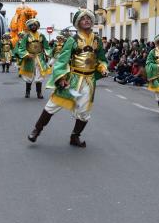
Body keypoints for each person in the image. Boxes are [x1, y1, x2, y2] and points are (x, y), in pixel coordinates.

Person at [27, 10, 108, 147]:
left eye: (89, 18)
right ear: (78, 23)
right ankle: (37, 130)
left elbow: (101, 60)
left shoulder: (97, 40)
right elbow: (62, 61)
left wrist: (103, 68)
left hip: (89, 82)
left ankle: (75, 137)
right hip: (72, 79)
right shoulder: (73, 40)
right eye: (83, 18)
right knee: (53, 105)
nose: (87, 20)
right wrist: (61, 78)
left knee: (84, 112)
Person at [15, 19, 52, 99]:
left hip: (39, 58)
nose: (33, 26)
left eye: (35, 25)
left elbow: (46, 47)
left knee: (39, 76)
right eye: (31, 25)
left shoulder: (42, 35)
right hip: (29, 58)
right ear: (29, 27)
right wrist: (27, 54)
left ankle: (39, 93)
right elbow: (21, 48)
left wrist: (47, 54)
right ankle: (27, 92)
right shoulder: (26, 36)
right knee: (29, 76)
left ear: (37, 26)